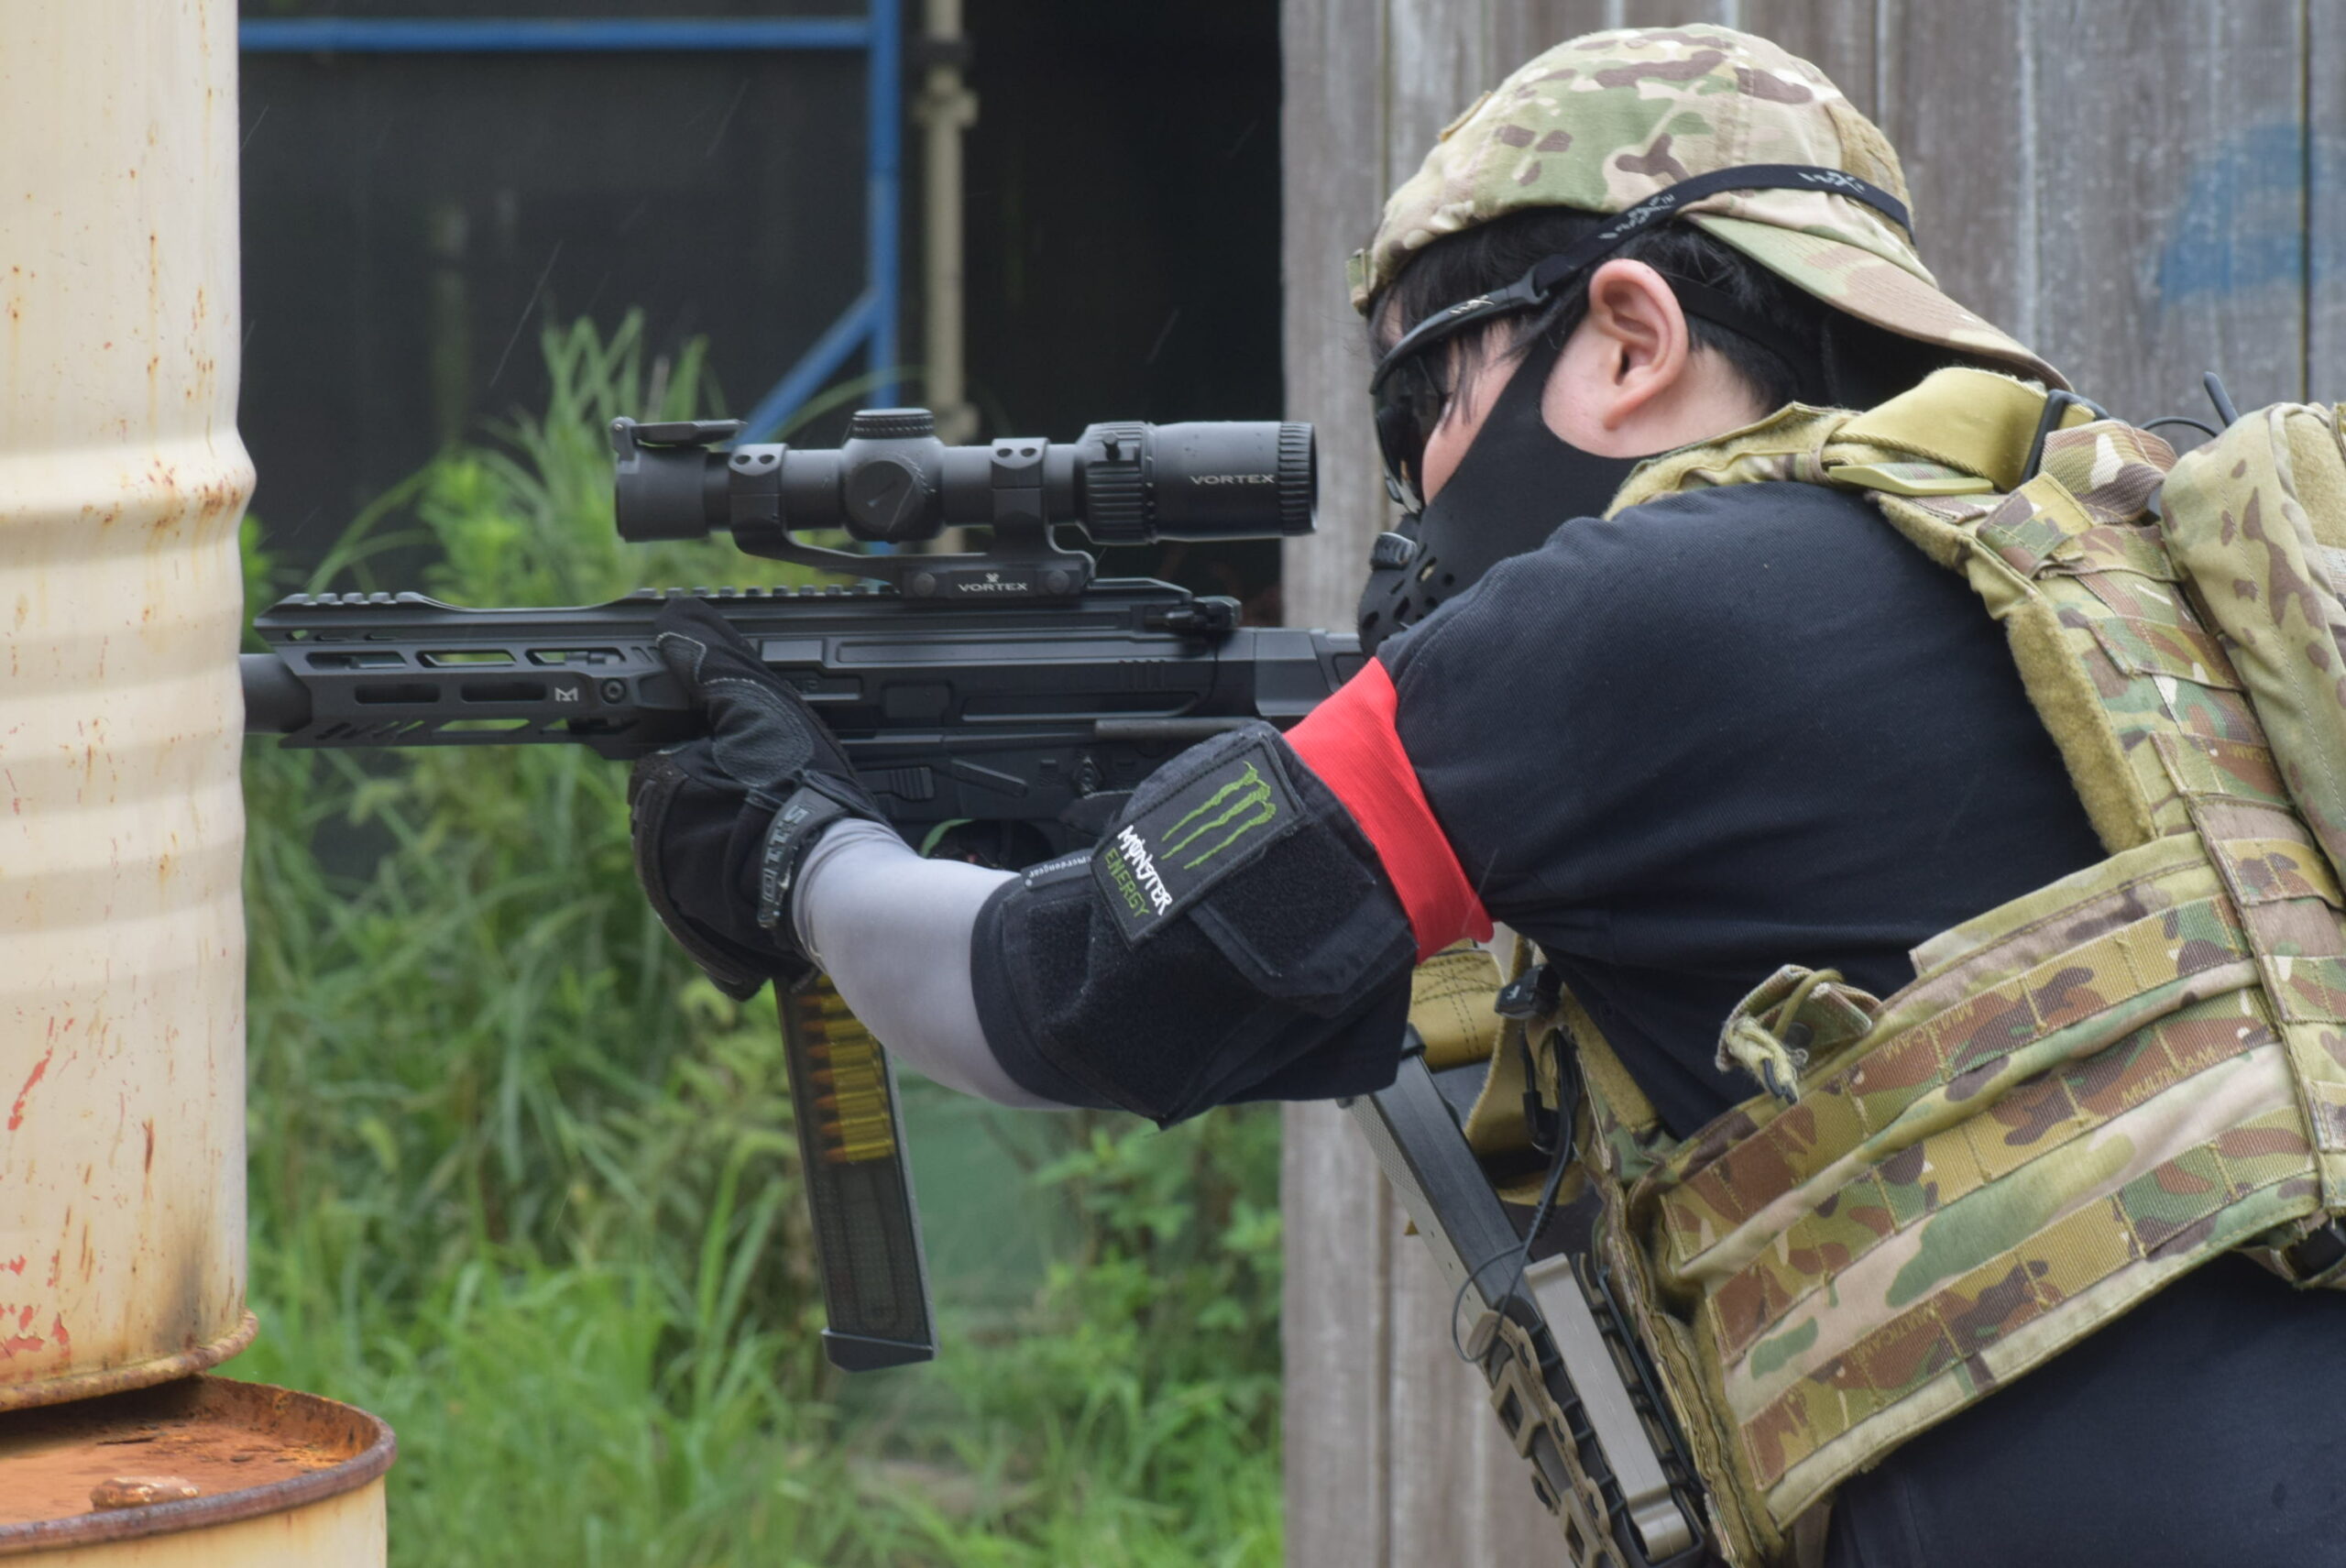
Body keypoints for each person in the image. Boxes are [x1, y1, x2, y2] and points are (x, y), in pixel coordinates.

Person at [626, 26, 2346, 1567]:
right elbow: (1302, 982)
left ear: (1630, 338)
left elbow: (1056, 998)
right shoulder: (2125, 594)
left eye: (1424, 405)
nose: (1421, 493)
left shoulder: (1634, 610)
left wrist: (802, 857)